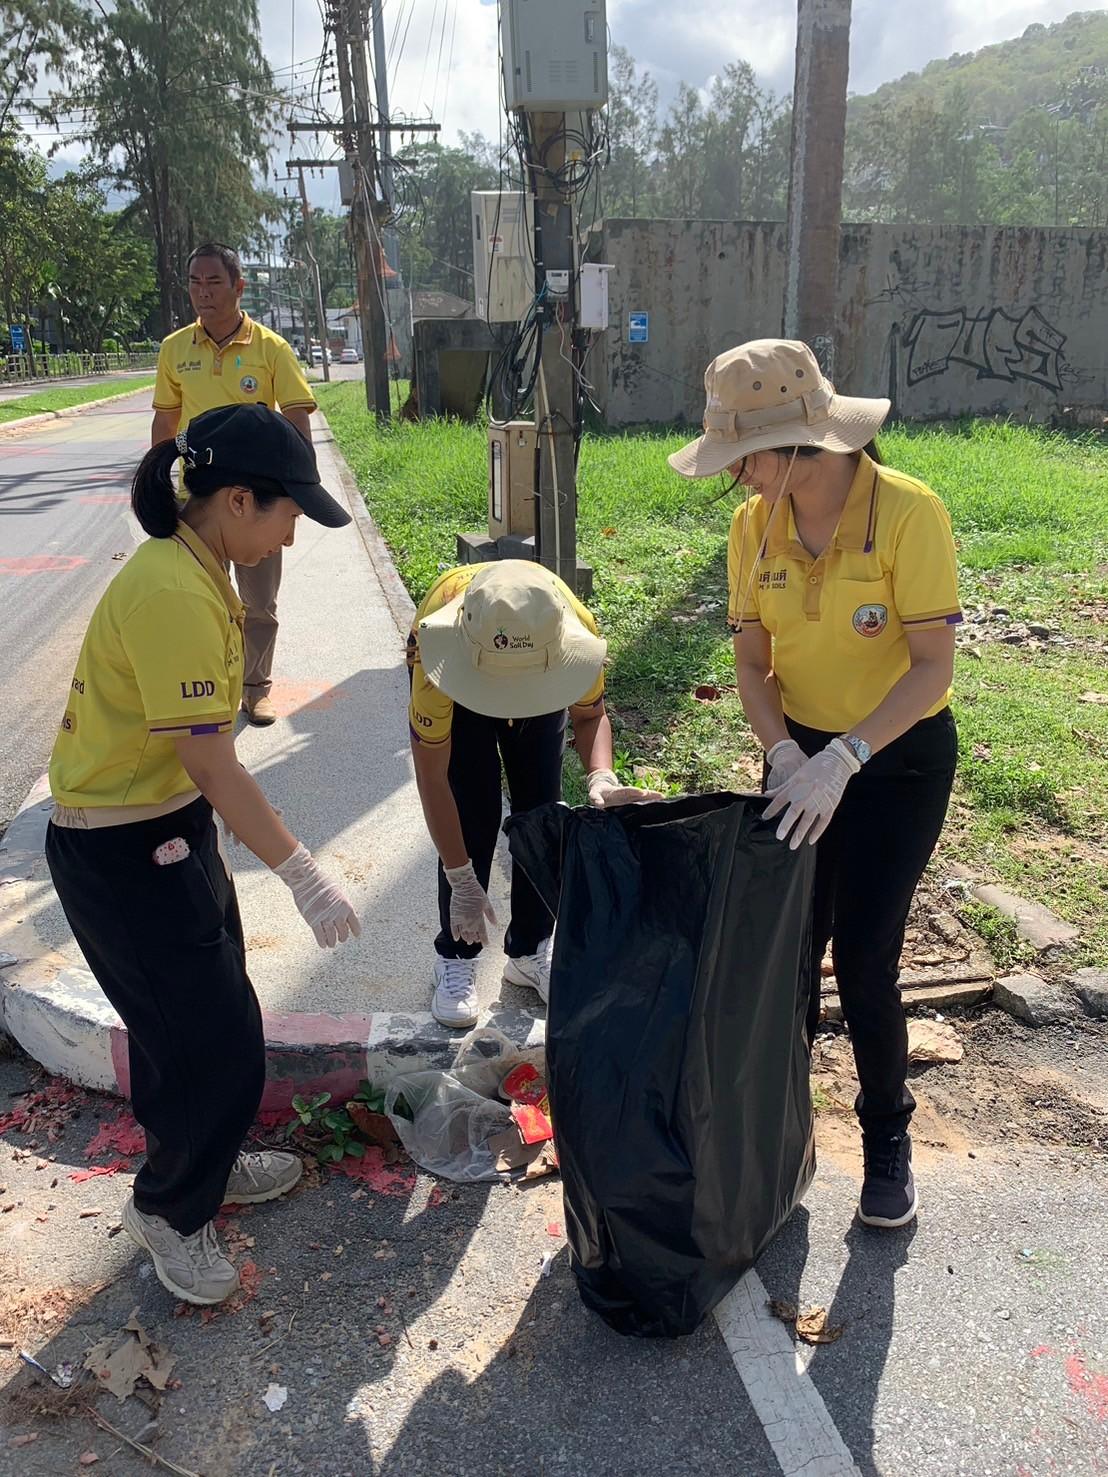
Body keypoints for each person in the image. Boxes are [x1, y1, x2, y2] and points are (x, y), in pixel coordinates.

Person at [46, 404, 360, 1305]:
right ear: (234, 500)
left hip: (164, 829)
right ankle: (170, 1211)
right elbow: (210, 756)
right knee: (207, 1044)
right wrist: (302, 870)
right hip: (121, 847)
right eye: (287, 510)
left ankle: (204, 1166)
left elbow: (198, 764)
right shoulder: (175, 591)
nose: (293, 531)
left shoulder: (198, 567)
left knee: (203, 1021)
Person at [669, 339, 961, 1230]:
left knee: (866, 957)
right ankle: (777, 1134)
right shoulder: (753, 528)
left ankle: (887, 1144)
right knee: (789, 950)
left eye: (746, 458)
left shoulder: (910, 514)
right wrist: (788, 754)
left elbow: (931, 670)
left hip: (896, 760)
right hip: (800, 760)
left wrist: (849, 758)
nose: (740, 477)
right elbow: (753, 662)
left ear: (799, 445)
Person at [408, 559, 661, 1028]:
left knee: (541, 809)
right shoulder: (435, 650)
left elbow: (589, 716)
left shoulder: (574, 628)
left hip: (537, 673)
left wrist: (600, 776)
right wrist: (462, 879)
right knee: (472, 810)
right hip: (465, 687)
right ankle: (457, 954)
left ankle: (530, 948)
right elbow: (433, 778)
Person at [151, 242, 318, 727]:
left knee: (258, 600)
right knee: (195, 595)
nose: (203, 293)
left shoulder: (271, 349)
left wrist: (297, 496)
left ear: (238, 287)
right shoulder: (174, 349)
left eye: (214, 282)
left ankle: (255, 687)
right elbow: (165, 425)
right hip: (198, 494)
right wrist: (160, 484)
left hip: (257, 502)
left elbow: (297, 421)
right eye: (194, 282)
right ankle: (204, 689)